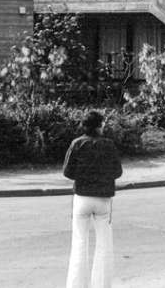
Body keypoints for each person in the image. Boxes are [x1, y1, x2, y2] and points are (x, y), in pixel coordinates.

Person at [63, 111, 123, 288]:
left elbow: (67, 171)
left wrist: (83, 176)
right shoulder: (109, 145)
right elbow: (118, 172)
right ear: (99, 126)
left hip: (82, 197)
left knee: (79, 242)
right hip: (103, 198)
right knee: (104, 244)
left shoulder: (77, 144)